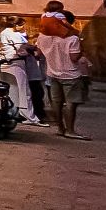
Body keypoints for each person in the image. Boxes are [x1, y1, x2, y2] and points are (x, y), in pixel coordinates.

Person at [35, 12, 91, 140]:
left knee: (56, 102)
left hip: (52, 73)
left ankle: (60, 128)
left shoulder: (42, 37)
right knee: (71, 103)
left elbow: (38, 53)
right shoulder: (72, 39)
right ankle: (70, 130)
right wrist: (82, 49)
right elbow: (74, 58)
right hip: (71, 75)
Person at [0, 17, 39, 124]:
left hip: (3, 64)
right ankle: (29, 117)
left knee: (10, 91)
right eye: (21, 25)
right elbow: (21, 51)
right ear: (15, 25)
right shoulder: (13, 35)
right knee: (23, 92)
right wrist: (31, 51)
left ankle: (13, 113)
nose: (22, 27)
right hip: (16, 64)